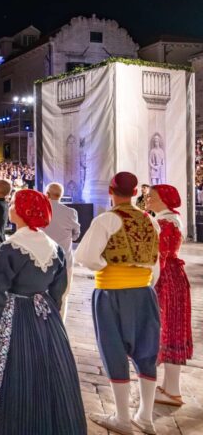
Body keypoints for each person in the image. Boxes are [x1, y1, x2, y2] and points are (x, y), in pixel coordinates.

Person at [0, 189, 86, 435]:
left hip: (14, 314)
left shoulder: (10, 247)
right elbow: (58, 292)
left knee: (13, 372)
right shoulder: (55, 248)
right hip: (45, 314)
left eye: (15, 204)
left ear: (23, 212)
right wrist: (49, 317)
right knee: (49, 371)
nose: (12, 207)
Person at [74, 172, 160, 435]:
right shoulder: (150, 221)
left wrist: (106, 266)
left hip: (112, 291)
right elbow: (155, 260)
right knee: (147, 352)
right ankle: (145, 416)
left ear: (111, 191)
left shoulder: (107, 220)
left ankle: (123, 417)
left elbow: (85, 256)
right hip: (145, 292)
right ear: (136, 193)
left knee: (113, 350)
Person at [145, 185, 193, 407]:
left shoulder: (164, 223)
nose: (148, 200)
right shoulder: (172, 219)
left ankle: (171, 391)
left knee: (166, 329)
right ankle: (170, 388)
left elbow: (158, 256)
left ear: (164, 200)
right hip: (174, 276)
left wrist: (149, 283)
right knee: (172, 329)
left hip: (166, 278)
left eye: (152, 197)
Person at [42, 182, 80, 320]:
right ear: (61, 196)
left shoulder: (39, 211)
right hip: (64, 262)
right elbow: (76, 235)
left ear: (47, 194)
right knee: (63, 297)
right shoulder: (71, 213)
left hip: (41, 260)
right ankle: (59, 329)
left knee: (40, 295)